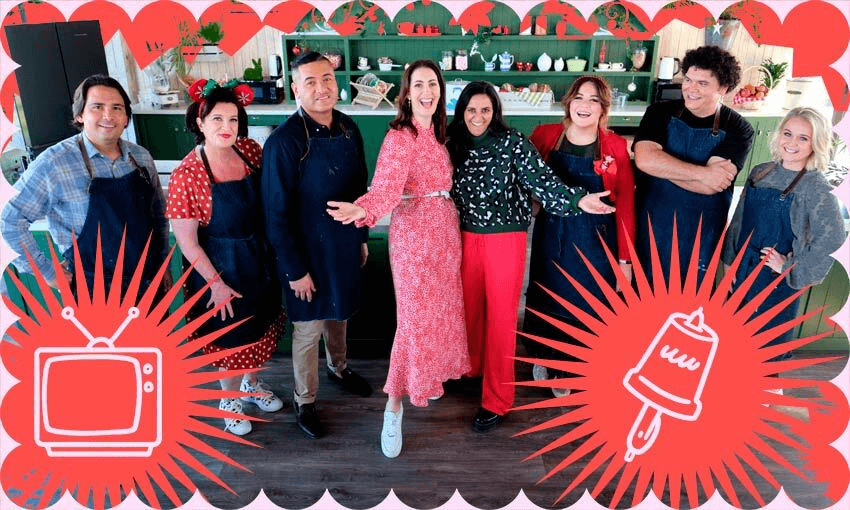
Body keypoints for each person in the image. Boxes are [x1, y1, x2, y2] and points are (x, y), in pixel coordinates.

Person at [445, 81, 615, 431]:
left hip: (505, 240)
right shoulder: (452, 144)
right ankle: (471, 368)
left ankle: (496, 400)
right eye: (471, 110)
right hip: (464, 238)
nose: (478, 116)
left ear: (495, 112)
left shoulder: (513, 144)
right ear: (461, 113)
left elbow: (544, 182)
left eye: (485, 109)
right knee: (469, 311)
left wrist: (577, 199)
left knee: (502, 322)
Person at [327, 60, 469, 458]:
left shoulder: (438, 133)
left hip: (444, 234)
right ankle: (393, 407)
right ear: (406, 93)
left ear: (440, 91)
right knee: (412, 321)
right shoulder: (400, 136)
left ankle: (426, 380)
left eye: (433, 84)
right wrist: (363, 210)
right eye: (419, 85)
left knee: (439, 312)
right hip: (413, 237)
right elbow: (386, 187)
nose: (427, 91)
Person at [262, 52, 372, 440]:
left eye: (326, 79)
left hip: (342, 244)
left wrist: (360, 237)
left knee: (340, 313)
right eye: (310, 81)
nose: (321, 88)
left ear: (336, 82)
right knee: (308, 329)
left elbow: (361, 190)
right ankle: (304, 400)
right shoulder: (283, 141)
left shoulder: (348, 128)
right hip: (305, 251)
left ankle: (338, 367)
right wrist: (294, 269)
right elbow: (275, 215)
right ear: (295, 88)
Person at [166, 80, 286, 436]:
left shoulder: (249, 150)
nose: (226, 128)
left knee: (259, 326)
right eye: (217, 119)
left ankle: (250, 386)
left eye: (233, 120)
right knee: (230, 337)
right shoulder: (187, 174)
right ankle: (228, 401)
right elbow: (188, 243)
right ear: (200, 123)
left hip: (258, 259)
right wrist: (215, 286)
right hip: (219, 267)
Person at [1, 74, 167, 297]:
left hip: (148, 284)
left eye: (117, 107)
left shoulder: (141, 157)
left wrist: (163, 264)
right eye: (97, 107)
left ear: (126, 117)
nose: (108, 115)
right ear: (79, 115)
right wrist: (46, 271)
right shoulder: (54, 163)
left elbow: (159, 217)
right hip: (93, 291)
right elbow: (8, 220)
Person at [522, 76, 636, 397]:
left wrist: (624, 259)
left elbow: (625, 201)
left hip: (596, 239)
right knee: (547, 294)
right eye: (579, 98)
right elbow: (527, 177)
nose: (584, 106)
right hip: (552, 234)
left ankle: (572, 364)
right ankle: (545, 357)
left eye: (593, 100)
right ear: (568, 102)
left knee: (585, 301)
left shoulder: (614, 146)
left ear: (603, 109)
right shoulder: (546, 136)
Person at [721, 107, 846, 367]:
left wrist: (787, 266)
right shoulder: (761, 172)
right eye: (788, 133)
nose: (792, 143)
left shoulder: (815, 186)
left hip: (775, 282)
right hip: (743, 272)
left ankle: (766, 398)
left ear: (816, 144)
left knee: (768, 349)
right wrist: (730, 261)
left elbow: (831, 239)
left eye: (803, 138)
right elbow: (739, 221)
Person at [633, 46, 754, 286]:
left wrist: (662, 165)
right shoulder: (659, 112)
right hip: (651, 222)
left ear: (724, 88)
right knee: (642, 293)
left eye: (702, 83)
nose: (691, 89)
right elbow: (645, 159)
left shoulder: (739, 128)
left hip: (701, 231)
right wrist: (702, 173)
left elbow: (712, 186)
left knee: (691, 298)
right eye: (688, 80)